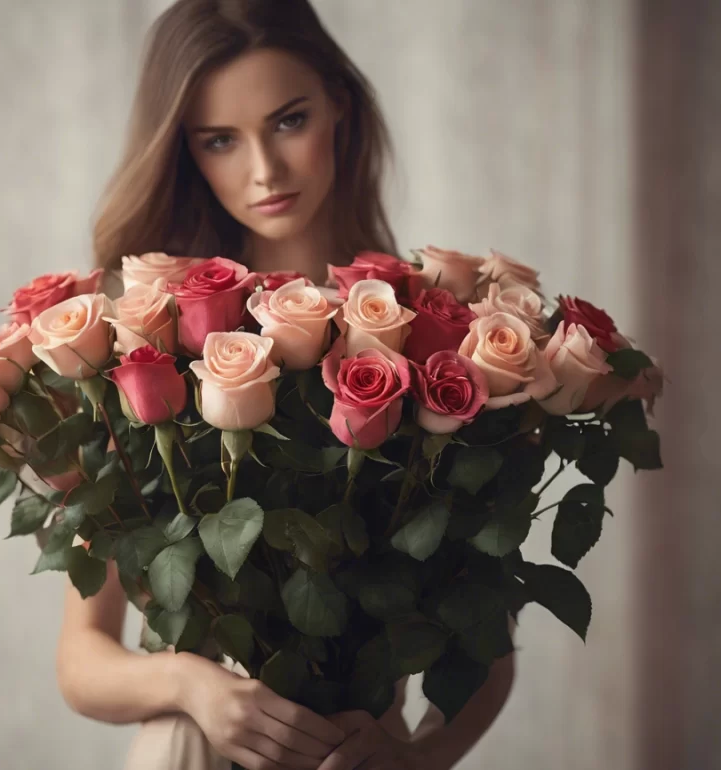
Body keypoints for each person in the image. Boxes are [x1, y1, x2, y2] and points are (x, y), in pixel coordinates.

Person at [56, 2, 515, 768]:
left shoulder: (434, 340)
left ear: (339, 101)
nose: (263, 170)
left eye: (289, 121)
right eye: (220, 141)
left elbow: (489, 647)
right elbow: (82, 655)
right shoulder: (145, 351)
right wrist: (194, 688)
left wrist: (420, 758)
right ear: (185, 153)